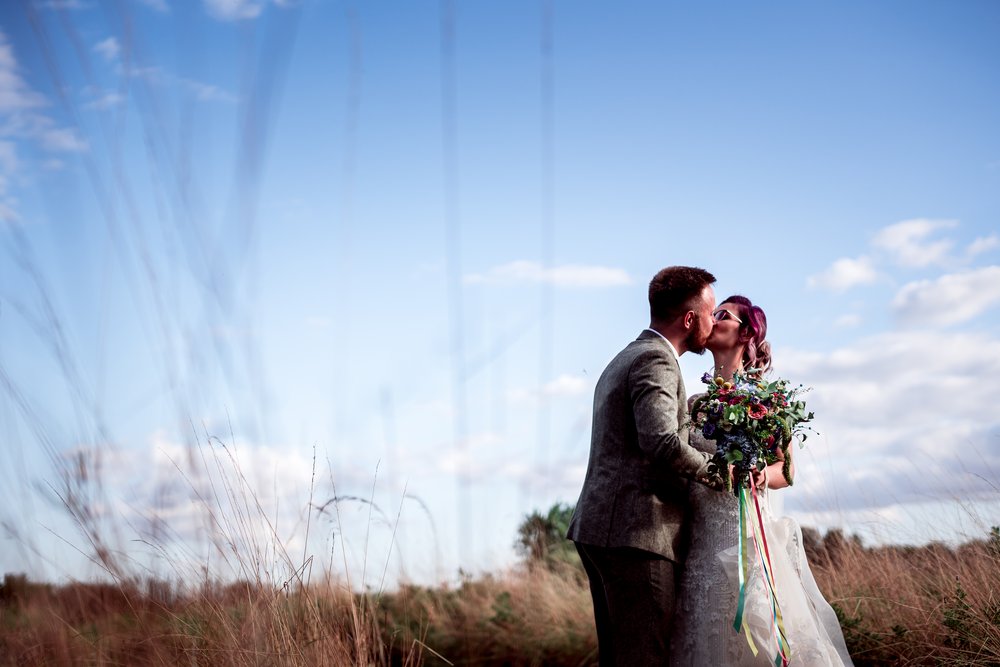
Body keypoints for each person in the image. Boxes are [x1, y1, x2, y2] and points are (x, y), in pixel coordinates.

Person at [670, 295, 854, 666]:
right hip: (700, 539)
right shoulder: (694, 405)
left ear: (746, 333)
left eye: (722, 314)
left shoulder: (770, 402)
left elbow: (786, 470)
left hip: (746, 535)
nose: (712, 318)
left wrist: (759, 474)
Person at [566, 266, 728, 666]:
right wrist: (720, 472)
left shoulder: (627, 355)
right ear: (690, 319)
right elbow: (661, 440)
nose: (714, 321)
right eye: (710, 313)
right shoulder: (656, 359)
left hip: (607, 530)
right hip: (638, 534)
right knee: (643, 658)